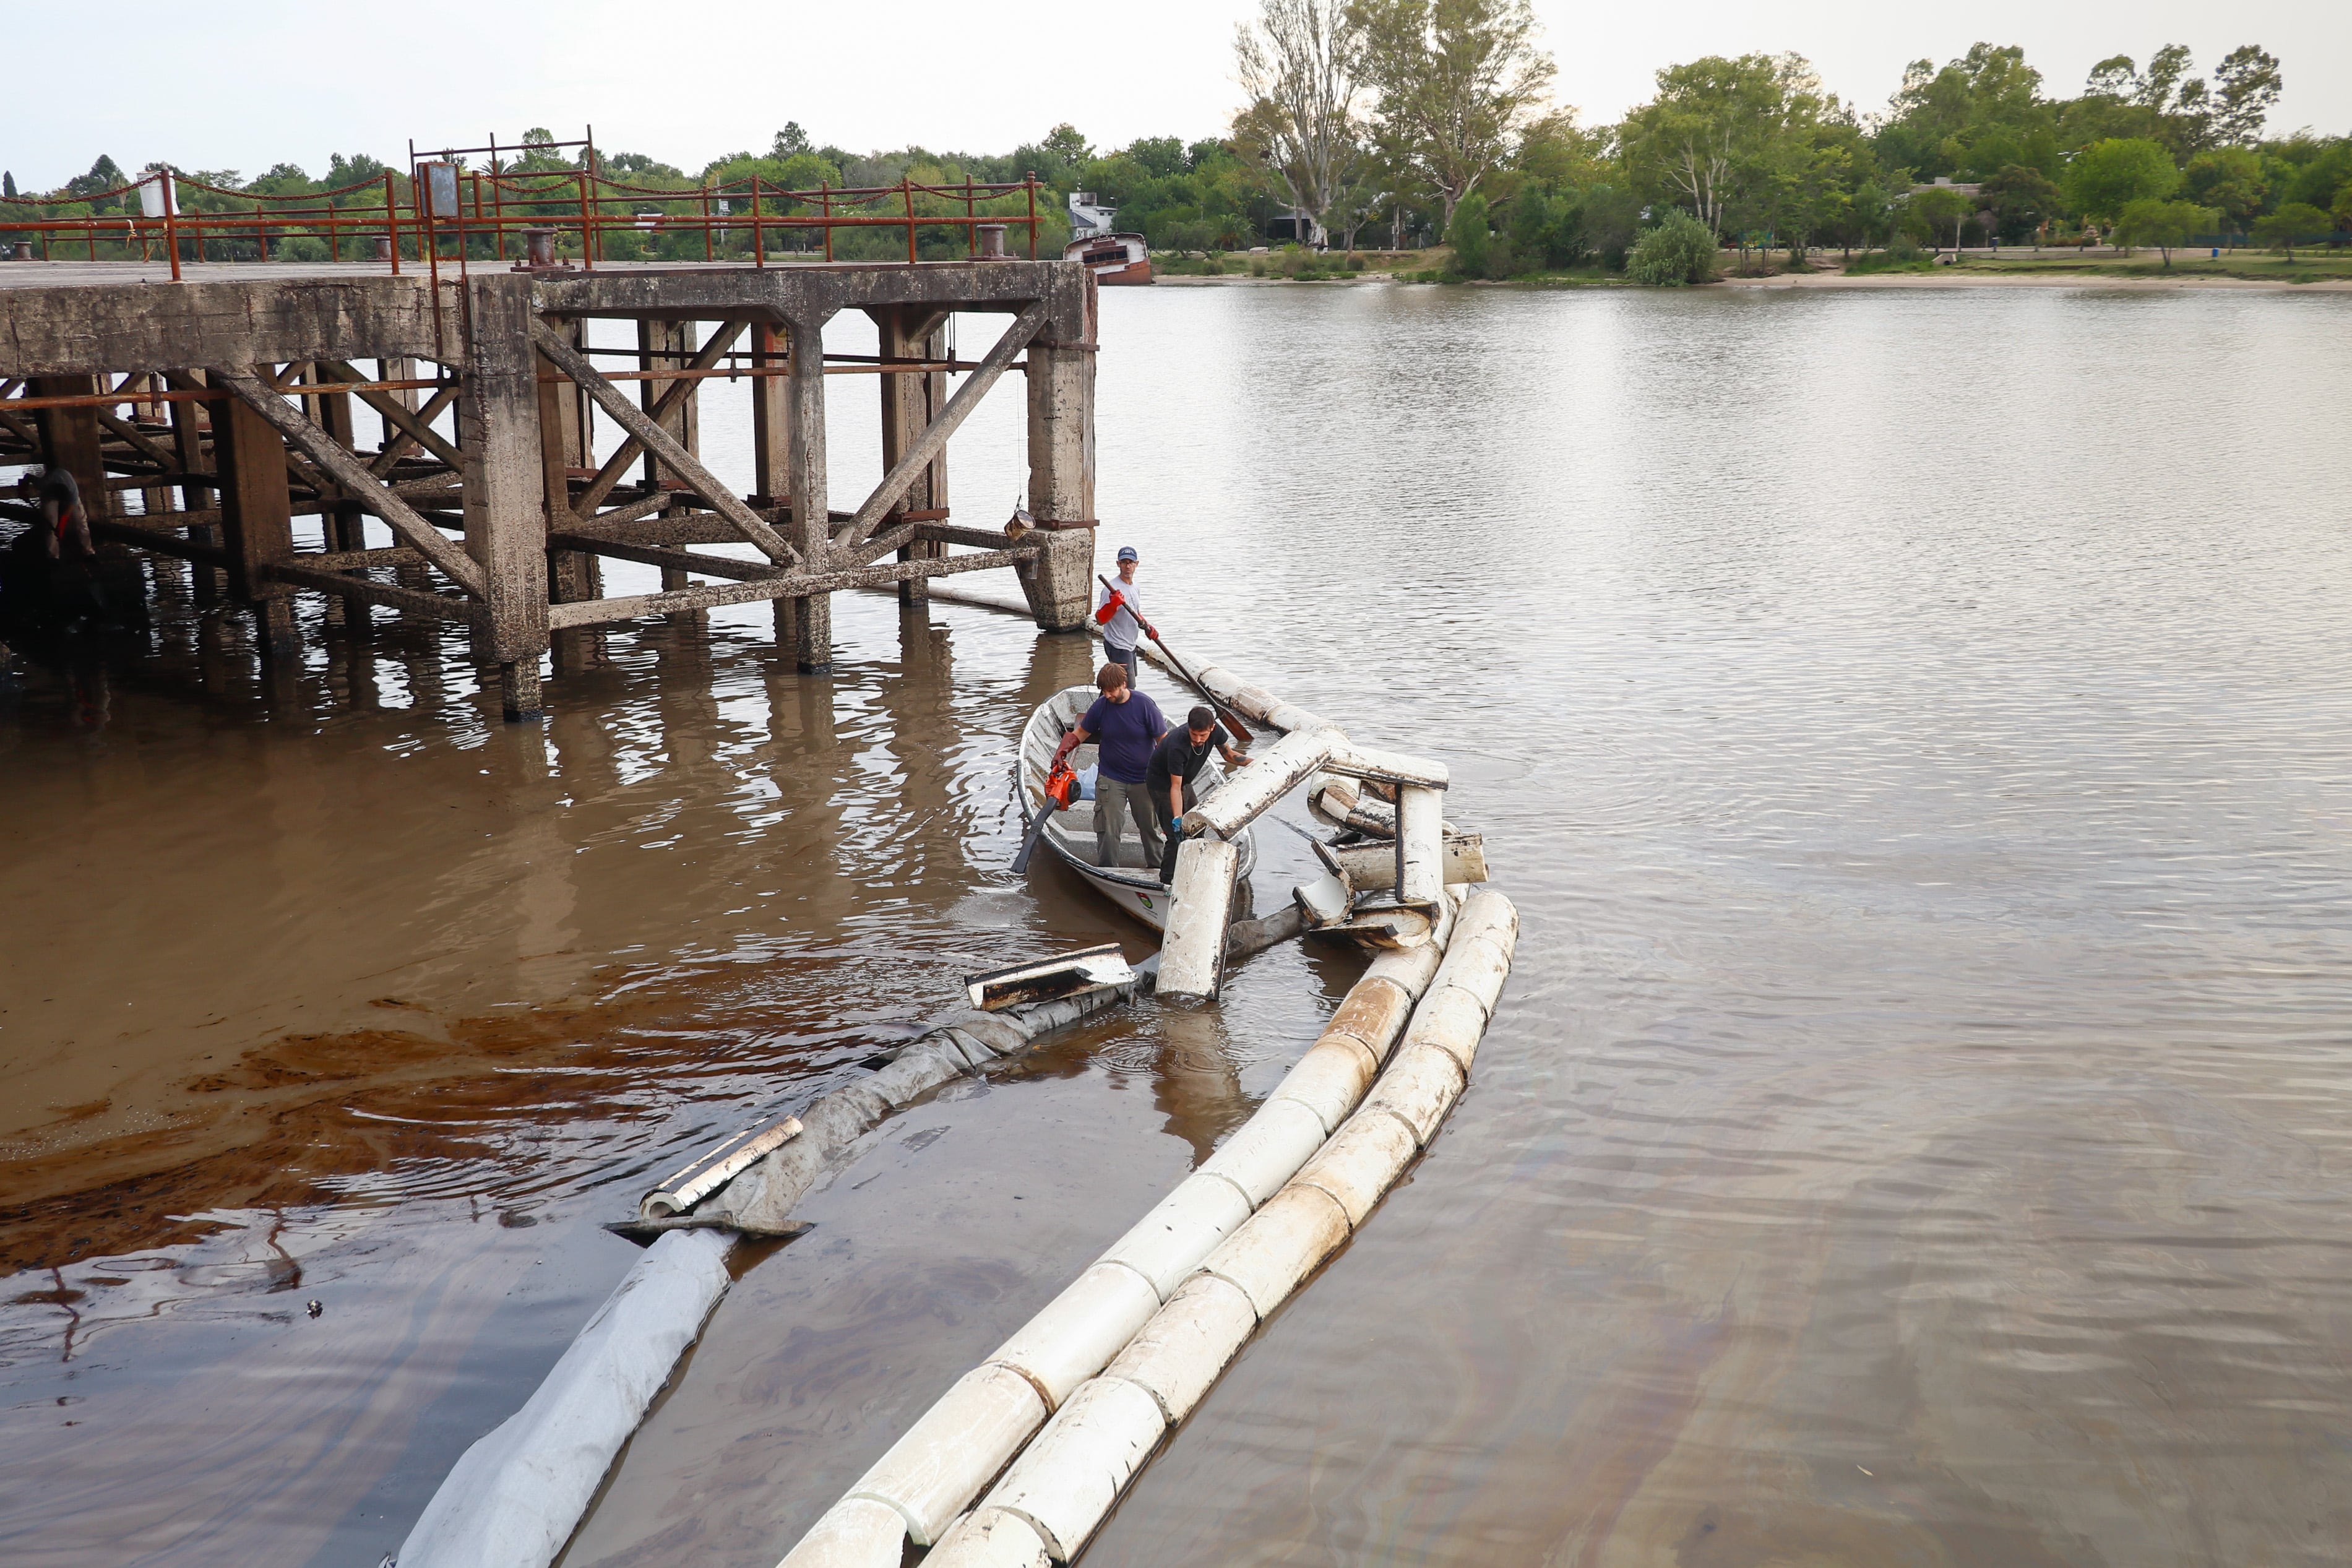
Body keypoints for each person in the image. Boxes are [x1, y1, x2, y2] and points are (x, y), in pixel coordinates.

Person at [1051, 660, 1168, 870]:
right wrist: (1062, 752)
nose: (1107, 695)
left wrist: (1165, 776)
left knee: (1150, 828)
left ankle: (1159, 871)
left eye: (1111, 691)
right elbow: (1080, 734)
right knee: (1108, 830)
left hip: (1144, 780)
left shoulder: (1144, 706)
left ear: (1124, 684)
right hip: (1111, 778)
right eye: (1104, 691)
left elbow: (1163, 741)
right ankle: (1107, 871)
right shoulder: (1102, 706)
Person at [1145, 704, 1245, 884]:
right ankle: (1167, 881)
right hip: (1161, 784)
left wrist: (1260, 762)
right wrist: (1177, 818)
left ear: (1212, 728)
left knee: (1198, 827)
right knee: (1177, 836)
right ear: (1189, 728)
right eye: (1194, 734)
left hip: (1185, 782)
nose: (1198, 739)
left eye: (1203, 735)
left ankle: (1191, 872)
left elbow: (1229, 755)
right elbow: (1175, 787)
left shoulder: (1215, 731)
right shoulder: (1177, 745)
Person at [1093, 545, 1155, 687]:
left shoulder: (1135, 587)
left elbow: (1136, 612)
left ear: (1136, 564)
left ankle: (1103, 706)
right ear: (1118, 564)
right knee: (1126, 688)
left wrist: (1148, 626)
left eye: (1131, 562)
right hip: (1118, 646)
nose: (1128, 566)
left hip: (1130, 644)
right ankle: (1104, 708)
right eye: (1124, 562)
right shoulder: (1111, 589)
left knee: (1119, 685)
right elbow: (1100, 619)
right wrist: (1113, 605)